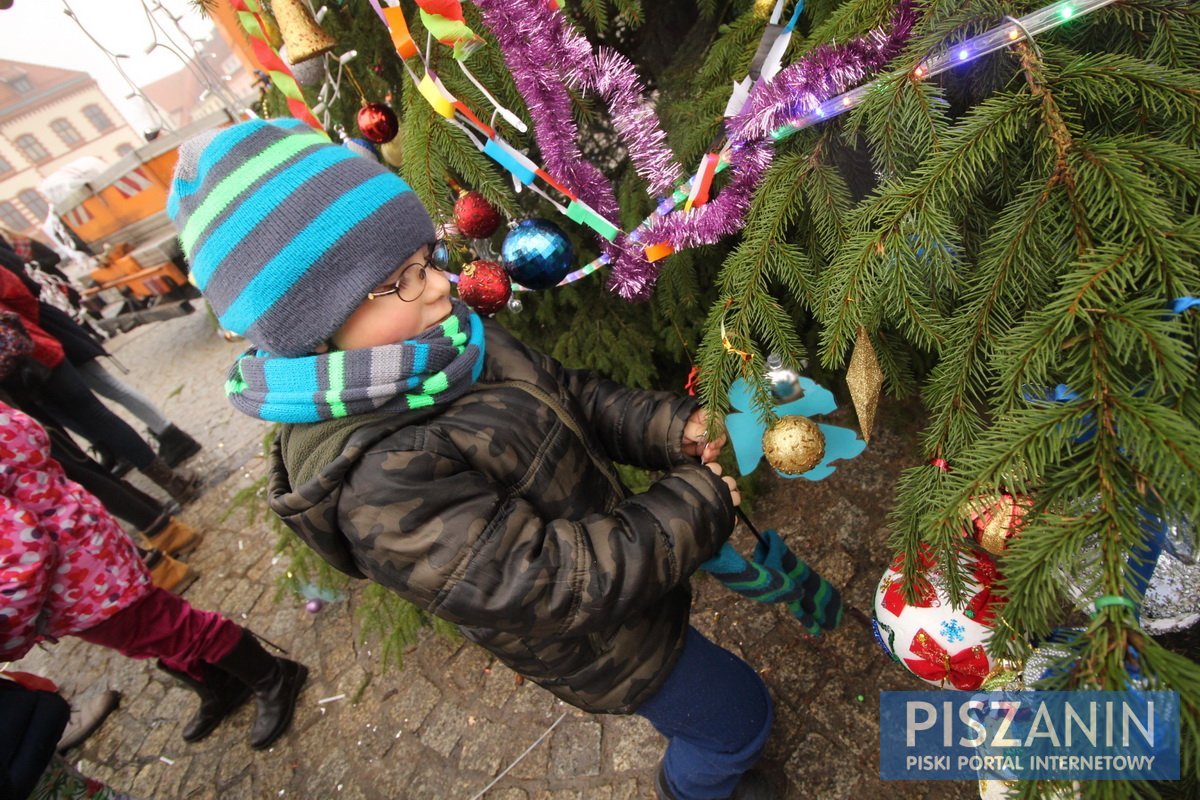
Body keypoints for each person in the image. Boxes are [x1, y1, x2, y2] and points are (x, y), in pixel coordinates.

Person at [172, 118, 775, 799]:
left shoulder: (448, 343)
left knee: (719, 707)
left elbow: (569, 395)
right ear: (313, 331)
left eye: (428, 258)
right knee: (737, 720)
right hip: (598, 641)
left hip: (635, 575)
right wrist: (696, 503)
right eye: (400, 280)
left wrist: (670, 427)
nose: (440, 286)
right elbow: (542, 581)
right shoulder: (376, 479)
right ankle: (693, 788)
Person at [0, 401, 308, 750]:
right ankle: (220, 681)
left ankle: (272, 675)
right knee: (147, 638)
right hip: (78, 560)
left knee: (168, 627)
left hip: (76, 575)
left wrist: (9, 626)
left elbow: (21, 550)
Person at [0, 265, 202, 505]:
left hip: (13, 386)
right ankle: (172, 484)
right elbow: (21, 294)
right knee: (97, 416)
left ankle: (142, 508)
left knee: (61, 446)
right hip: (35, 352)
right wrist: (23, 330)